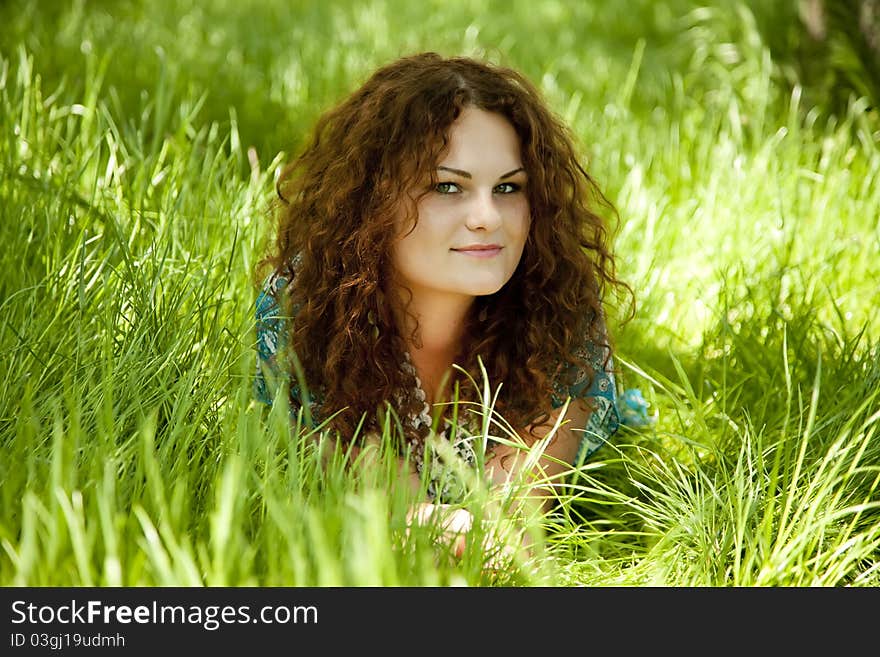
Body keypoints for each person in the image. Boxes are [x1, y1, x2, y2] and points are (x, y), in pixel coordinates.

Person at [253, 51, 631, 559]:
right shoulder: (309, 307)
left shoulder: (559, 308)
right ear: (373, 201)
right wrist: (424, 524)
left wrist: (453, 531)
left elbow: (508, 531)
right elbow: (388, 508)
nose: (487, 217)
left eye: (508, 188)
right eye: (447, 186)